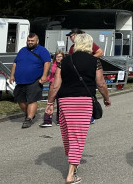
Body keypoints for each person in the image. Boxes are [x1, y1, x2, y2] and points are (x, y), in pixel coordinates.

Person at [45, 33, 111, 184]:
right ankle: (70, 175)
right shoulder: (95, 62)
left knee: (68, 135)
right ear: (89, 45)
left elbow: (55, 85)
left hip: (64, 101)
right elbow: (101, 83)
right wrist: (106, 99)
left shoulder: (65, 61)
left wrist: (49, 104)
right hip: (83, 101)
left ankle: (73, 166)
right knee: (77, 138)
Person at [10, 33, 51, 128]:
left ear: (37, 41)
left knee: (32, 100)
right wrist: (12, 75)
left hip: (35, 80)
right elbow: (15, 64)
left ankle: (29, 118)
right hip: (20, 80)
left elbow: (47, 63)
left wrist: (44, 76)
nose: (30, 42)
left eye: (32, 41)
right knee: (20, 100)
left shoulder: (42, 50)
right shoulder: (22, 50)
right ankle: (29, 113)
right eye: (28, 40)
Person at [41, 51, 65, 127]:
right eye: (57, 56)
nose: (59, 58)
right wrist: (44, 80)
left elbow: (57, 72)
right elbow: (51, 75)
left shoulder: (64, 65)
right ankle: (47, 120)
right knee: (50, 103)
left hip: (61, 85)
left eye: (60, 56)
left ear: (63, 57)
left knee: (60, 103)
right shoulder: (54, 64)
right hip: (52, 85)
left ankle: (60, 120)